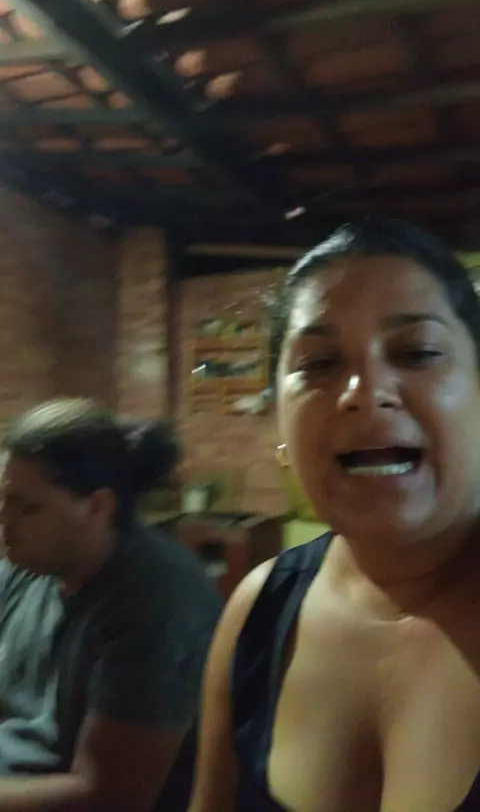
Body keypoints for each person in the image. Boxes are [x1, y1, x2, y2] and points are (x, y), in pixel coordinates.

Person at [189, 218, 480, 812]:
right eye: (319, 363)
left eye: (417, 352)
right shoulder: (259, 614)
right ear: (280, 422)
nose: (364, 391)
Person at [0, 399, 221, 812]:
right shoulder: (29, 566)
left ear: (97, 507)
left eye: (25, 507)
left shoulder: (157, 601)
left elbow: (107, 796)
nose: (3, 521)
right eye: (3, 500)